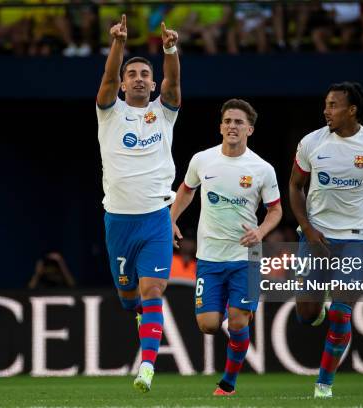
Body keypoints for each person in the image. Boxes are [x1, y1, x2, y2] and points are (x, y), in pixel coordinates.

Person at [289, 82, 363, 398]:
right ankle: (321, 311)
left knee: (342, 312)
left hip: (356, 238)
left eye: (333, 105)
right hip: (315, 236)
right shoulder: (311, 143)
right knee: (305, 314)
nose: (326, 110)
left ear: (351, 109)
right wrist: (308, 228)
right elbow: (295, 187)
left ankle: (323, 384)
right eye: (326, 104)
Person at [171, 99, 282, 396]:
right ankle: (242, 312)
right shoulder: (202, 160)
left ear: (250, 129)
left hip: (246, 256)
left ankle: (228, 383)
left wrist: (260, 231)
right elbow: (185, 191)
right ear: (221, 126)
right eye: (228, 121)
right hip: (209, 257)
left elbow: (275, 211)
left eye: (238, 122)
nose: (232, 126)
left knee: (235, 321)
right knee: (208, 325)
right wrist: (171, 219)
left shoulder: (262, 169)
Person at [96, 14, 181, 393]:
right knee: (129, 300)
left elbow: (174, 82)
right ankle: (140, 325)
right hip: (118, 221)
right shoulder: (109, 111)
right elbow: (108, 80)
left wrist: (169, 49)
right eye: (133, 74)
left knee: (153, 291)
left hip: (155, 219)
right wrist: (118, 44)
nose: (139, 79)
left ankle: (147, 366)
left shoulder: (164, 112)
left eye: (145, 74)